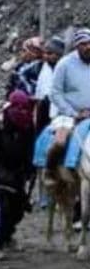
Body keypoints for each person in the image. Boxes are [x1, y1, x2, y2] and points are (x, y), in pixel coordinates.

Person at [0, 90, 36, 260]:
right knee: (3, 208)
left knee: (18, 209)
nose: (22, 112)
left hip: (19, 172)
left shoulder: (28, 126)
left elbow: (30, 149)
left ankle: (8, 234)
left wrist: (29, 170)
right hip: (0, 170)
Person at [47, 29, 90, 170]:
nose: (88, 47)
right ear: (77, 46)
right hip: (69, 116)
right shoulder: (65, 64)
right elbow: (55, 92)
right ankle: (50, 174)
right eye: (84, 44)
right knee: (60, 143)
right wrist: (74, 113)